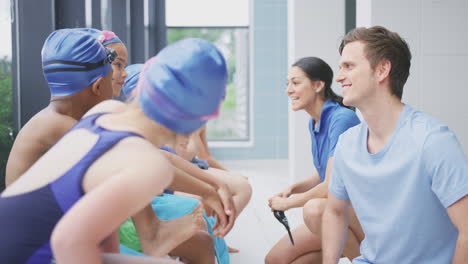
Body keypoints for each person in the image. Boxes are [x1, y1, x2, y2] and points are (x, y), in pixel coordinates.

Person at [0, 37, 228, 264]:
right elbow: (67, 243)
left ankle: (157, 233)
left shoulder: (105, 114)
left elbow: (99, 227)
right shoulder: (147, 163)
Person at [322, 26, 468, 264]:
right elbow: (335, 211)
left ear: (381, 70)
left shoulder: (432, 141)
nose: (338, 77)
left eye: (348, 66)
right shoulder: (346, 144)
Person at [265, 57, 361, 264]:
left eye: (296, 82)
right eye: (287, 83)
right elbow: (323, 173)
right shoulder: (315, 121)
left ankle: (364, 259)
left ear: (318, 85)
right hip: (339, 210)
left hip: (361, 214)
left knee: (315, 209)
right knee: (276, 260)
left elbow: (331, 186)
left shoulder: (342, 119)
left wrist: (288, 203)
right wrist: (293, 188)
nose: (288, 90)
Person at [4, 28, 116, 187]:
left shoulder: (54, 118)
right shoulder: (56, 125)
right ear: (97, 87)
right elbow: (120, 158)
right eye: (110, 80)